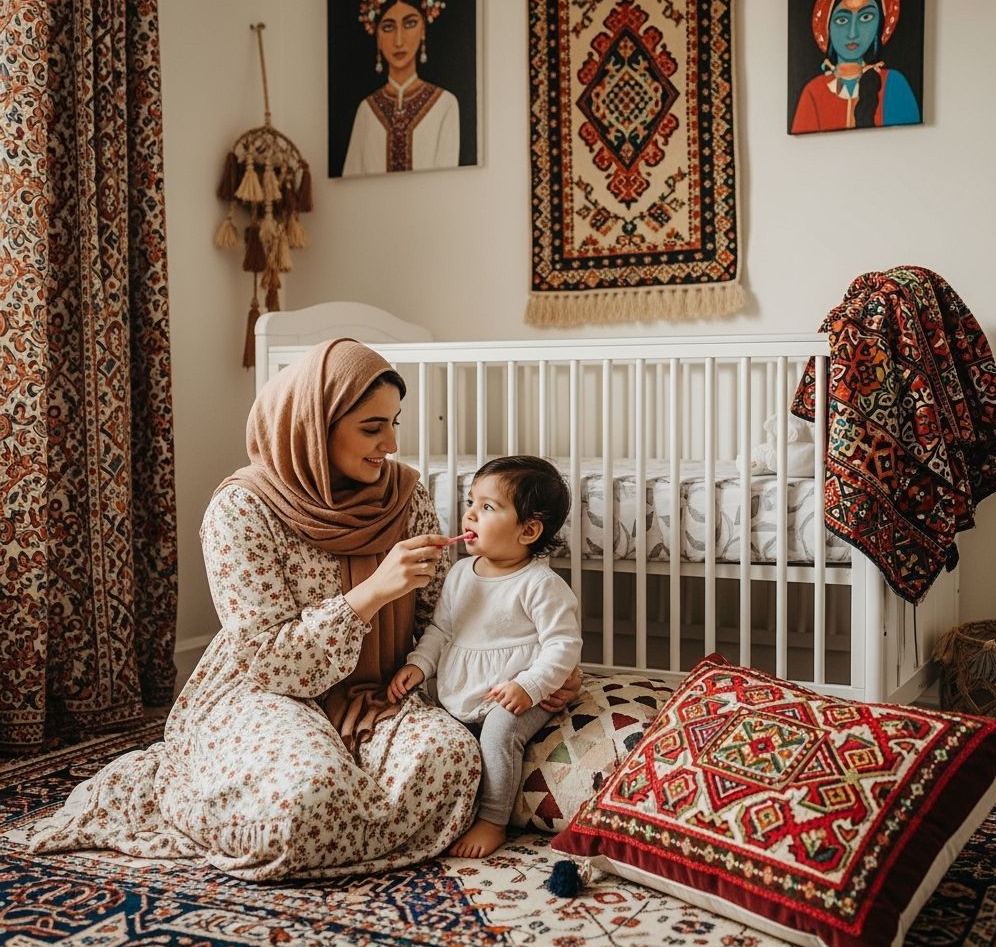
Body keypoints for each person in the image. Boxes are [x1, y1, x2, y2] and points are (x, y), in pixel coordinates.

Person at [27, 340, 581, 880]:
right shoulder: (242, 507)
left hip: (378, 692)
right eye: (371, 427)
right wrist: (370, 594)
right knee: (302, 803)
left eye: (394, 422)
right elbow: (271, 660)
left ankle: (338, 808)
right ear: (315, 424)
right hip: (267, 691)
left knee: (453, 761)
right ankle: (210, 793)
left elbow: (444, 622)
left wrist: (536, 676)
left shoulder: (404, 495)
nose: (390, 443)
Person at [388, 456, 583, 858]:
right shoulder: (460, 573)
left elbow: (562, 646)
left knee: (498, 733)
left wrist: (528, 687)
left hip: (517, 694)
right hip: (462, 688)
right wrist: (418, 665)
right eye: (471, 501)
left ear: (528, 530)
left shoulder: (541, 584)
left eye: (488, 507)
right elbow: (441, 631)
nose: (470, 514)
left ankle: (493, 819)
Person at [342, 0, 460, 175]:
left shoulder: (445, 104)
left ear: (423, 29)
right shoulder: (367, 110)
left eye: (409, 24)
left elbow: (447, 187)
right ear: (377, 36)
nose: (398, 40)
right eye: (388, 27)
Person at [790, 0, 920, 134]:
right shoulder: (814, 91)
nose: (853, 33)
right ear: (827, 26)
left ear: (879, 25)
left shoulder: (893, 84)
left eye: (865, 18)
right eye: (842, 19)